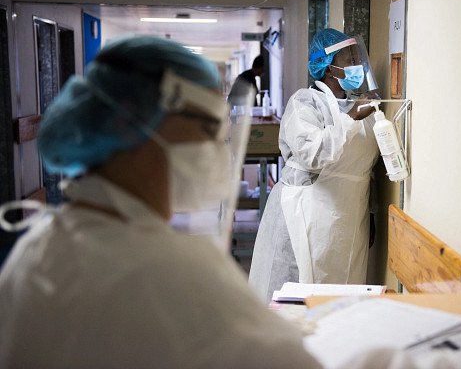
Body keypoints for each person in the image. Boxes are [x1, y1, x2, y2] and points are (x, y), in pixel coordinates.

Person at [0, 36, 321, 369]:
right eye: (209, 126)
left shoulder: (35, 248)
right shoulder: (169, 269)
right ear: (133, 124)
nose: (218, 146)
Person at [248, 28, 380, 304]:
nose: (356, 63)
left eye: (357, 55)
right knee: (298, 296)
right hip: (308, 216)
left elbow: (366, 168)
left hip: (350, 220)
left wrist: (371, 212)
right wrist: (351, 118)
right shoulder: (305, 103)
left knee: (341, 295)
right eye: (348, 57)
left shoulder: (359, 108)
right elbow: (313, 153)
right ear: (329, 67)